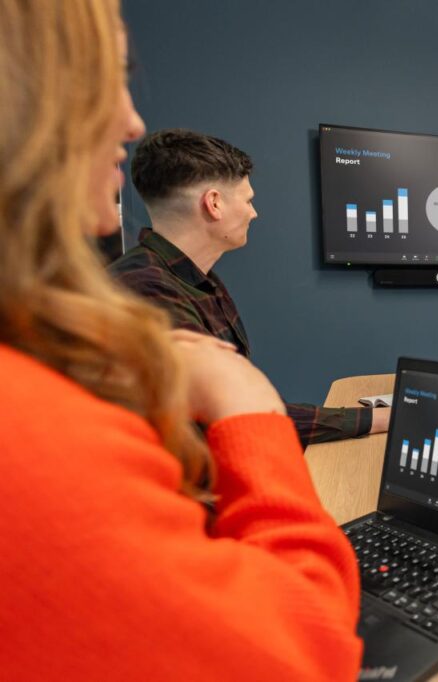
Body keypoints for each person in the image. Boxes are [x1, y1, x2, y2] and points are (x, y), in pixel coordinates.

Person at [0, 1, 362, 678]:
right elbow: (300, 651)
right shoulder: (135, 304)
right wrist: (250, 409)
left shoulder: (192, 283)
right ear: (213, 204)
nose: (131, 121)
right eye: (106, 73)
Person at [109, 128, 388, 447]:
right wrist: (377, 418)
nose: (254, 213)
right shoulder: (146, 289)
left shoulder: (196, 278)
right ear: (214, 203)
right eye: (249, 200)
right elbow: (240, 414)